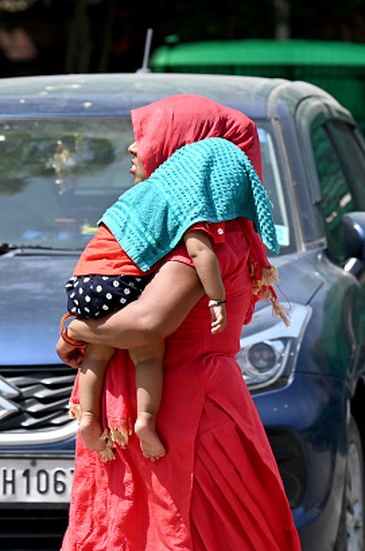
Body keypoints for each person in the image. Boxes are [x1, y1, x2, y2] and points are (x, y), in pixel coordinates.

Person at [56, 94, 301, 550]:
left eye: (146, 138)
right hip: (171, 416)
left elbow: (148, 324)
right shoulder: (190, 232)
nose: (132, 150)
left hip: (184, 423)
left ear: (186, 152)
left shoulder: (209, 238)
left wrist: (75, 330)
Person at [64, 141, 232, 460]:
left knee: (96, 357)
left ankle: (87, 416)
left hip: (83, 281)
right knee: (148, 355)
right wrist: (217, 298)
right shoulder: (186, 203)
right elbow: (200, 252)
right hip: (121, 283)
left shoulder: (135, 197)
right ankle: (145, 421)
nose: (131, 153)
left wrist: (73, 327)